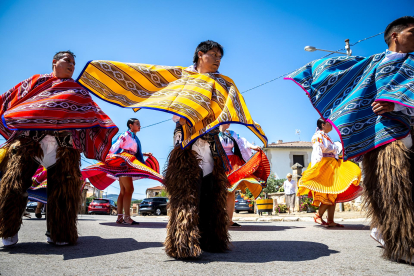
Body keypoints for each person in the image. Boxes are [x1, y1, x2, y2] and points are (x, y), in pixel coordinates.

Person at [76, 40, 267, 259]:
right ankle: (183, 243)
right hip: (186, 146)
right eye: (213, 54)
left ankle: (212, 239)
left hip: (212, 146)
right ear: (200, 54)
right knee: (186, 196)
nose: (217, 60)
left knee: (212, 193)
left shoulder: (223, 83)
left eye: (220, 57)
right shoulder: (182, 77)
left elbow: (230, 109)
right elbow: (152, 79)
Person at [285, 16, 414, 263]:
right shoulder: (373, 64)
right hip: (383, 139)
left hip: (409, 132)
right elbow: (346, 83)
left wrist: (397, 106)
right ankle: (400, 243)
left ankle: (382, 232)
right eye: (413, 31)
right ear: (395, 36)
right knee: (392, 191)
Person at [0, 50, 118, 247]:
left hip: (65, 147)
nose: (72, 65)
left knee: (63, 191)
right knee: (14, 185)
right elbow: (10, 100)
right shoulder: (36, 82)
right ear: (55, 62)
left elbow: (91, 113)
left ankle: (59, 233)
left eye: (74, 62)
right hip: (30, 143)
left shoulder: (78, 90)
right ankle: (7, 230)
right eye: (68, 61)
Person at [81, 118, 163, 225]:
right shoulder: (125, 135)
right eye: (137, 124)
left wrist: (143, 154)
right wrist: (113, 157)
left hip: (128, 161)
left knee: (123, 191)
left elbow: (131, 150)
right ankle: (127, 217)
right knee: (129, 189)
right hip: (124, 163)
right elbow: (115, 147)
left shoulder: (133, 137)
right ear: (130, 125)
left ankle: (120, 217)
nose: (140, 125)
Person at [297, 119, 361, 227]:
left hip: (332, 165)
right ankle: (318, 215)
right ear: (323, 125)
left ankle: (330, 220)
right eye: (329, 123)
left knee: (333, 193)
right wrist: (315, 167)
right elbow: (317, 151)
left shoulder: (327, 137)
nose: (331, 125)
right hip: (325, 166)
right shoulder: (318, 136)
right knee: (328, 193)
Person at [219, 123, 270, 227]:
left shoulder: (231, 133)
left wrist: (254, 147)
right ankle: (218, 220)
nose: (229, 122)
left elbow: (243, 143)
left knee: (231, 192)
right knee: (219, 192)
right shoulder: (213, 133)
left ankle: (229, 220)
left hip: (233, 164)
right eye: (227, 120)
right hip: (218, 163)